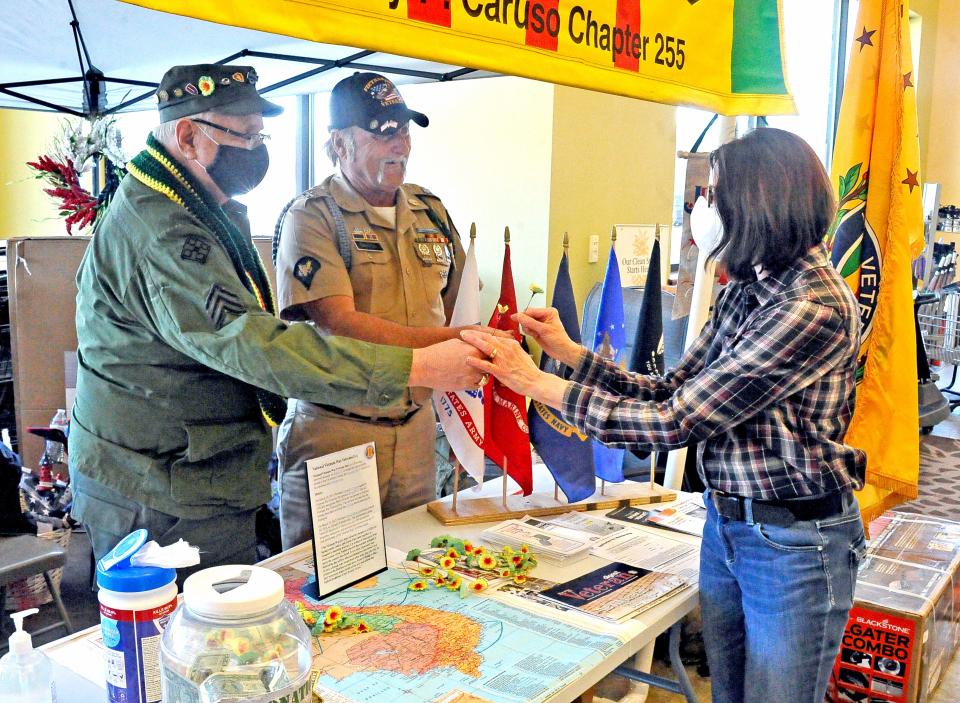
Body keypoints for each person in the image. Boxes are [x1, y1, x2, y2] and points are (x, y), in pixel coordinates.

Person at [463, 128, 868, 703]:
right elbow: (672, 389)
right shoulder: (747, 288)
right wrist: (570, 355)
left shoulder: (809, 307)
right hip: (729, 524)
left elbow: (674, 424)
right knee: (727, 693)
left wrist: (535, 383)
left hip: (793, 541)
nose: (704, 211)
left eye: (715, 196)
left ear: (759, 203)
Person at [69, 63, 483, 574]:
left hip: (197, 473)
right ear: (187, 136)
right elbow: (251, 342)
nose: (256, 149)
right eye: (244, 135)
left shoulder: (195, 205)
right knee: (195, 640)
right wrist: (417, 367)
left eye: (260, 134)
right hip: (161, 488)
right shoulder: (164, 228)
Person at [273, 72, 491, 548]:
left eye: (404, 130)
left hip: (415, 433)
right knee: (332, 591)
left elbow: (460, 311)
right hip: (339, 434)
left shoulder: (429, 210)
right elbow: (342, 324)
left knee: (411, 581)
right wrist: (452, 349)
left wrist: (480, 345)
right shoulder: (312, 216)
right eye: (381, 132)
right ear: (339, 144)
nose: (400, 146)